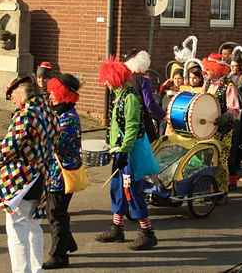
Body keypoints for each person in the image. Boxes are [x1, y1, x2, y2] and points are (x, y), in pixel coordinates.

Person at [0, 75, 57, 273]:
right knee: (34, 226)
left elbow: (8, 149)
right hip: (41, 177)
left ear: (22, 92)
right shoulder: (48, 112)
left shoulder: (25, 115)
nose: (11, 99)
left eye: (11, 95)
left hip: (22, 181)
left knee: (17, 231)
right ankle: (37, 270)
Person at [95, 57, 158, 251]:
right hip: (120, 152)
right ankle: (117, 228)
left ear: (114, 78)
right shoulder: (119, 95)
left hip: (130, 153)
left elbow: (131, 128)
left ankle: (147, 233)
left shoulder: (130, 97)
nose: (104, 83)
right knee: (118, 189)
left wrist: (123, 151)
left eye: (106, 79)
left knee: (131, 191)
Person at [43, 73, 82, 269]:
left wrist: (44, 134)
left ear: (62, 94)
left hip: (62, 175)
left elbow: (59, 145)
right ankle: (67, 243)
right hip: (55, 173)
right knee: (56, 211)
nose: (49, 97)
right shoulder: (60, 114)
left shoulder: (68, 119)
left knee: (56, 212)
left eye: (52, 93)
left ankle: (59, 255)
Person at [202, 53, 241, 193]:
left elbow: (235, 110)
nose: (205, 72)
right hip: (208, 129)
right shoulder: (207, 85)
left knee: (221, 160)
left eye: (208, 69)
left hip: (224, 130)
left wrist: (225, 117)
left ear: (216, 70)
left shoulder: (229, 86)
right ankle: (210, 189)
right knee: (208, 160)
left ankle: (222, 191)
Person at [123, 49, 165, 142]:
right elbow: (149, 104)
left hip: (128, 121)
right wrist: (162, 115)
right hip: (142, 122)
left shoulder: (125, 80)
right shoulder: (143, 80)